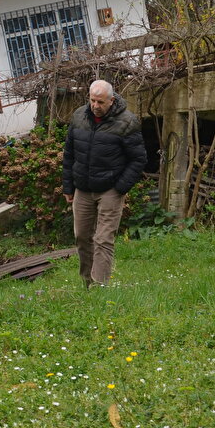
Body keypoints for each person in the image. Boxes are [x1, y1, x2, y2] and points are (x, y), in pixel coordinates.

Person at [62, 79, 147, 287]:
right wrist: (68, 186)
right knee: (82, 237)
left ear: (111, 100)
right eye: (92, 101)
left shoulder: (127, 122)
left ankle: (100, 287)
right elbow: (69, 153)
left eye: (100, 102)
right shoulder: (79, 116)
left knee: (103, 239)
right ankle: (87, 284)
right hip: (83, 188)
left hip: (110, 189)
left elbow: (139, 159)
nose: (95, 106)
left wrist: (120, 188)